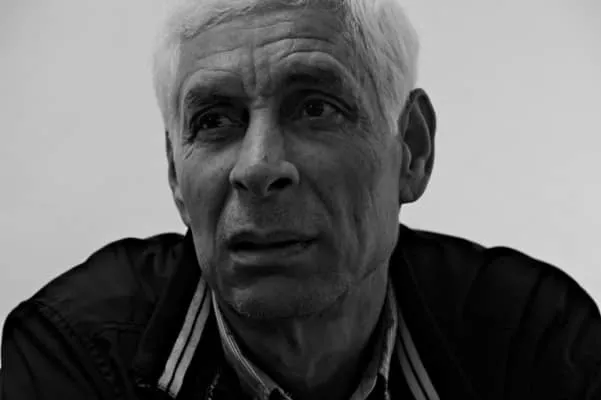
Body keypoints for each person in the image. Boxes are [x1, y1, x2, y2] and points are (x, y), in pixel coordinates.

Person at [2, 0, 601, 398]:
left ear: (412, 150)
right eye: (214, 120)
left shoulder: (531, 339)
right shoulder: (75, 353)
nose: (258, 168)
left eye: (316, 108)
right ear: (175, 176)